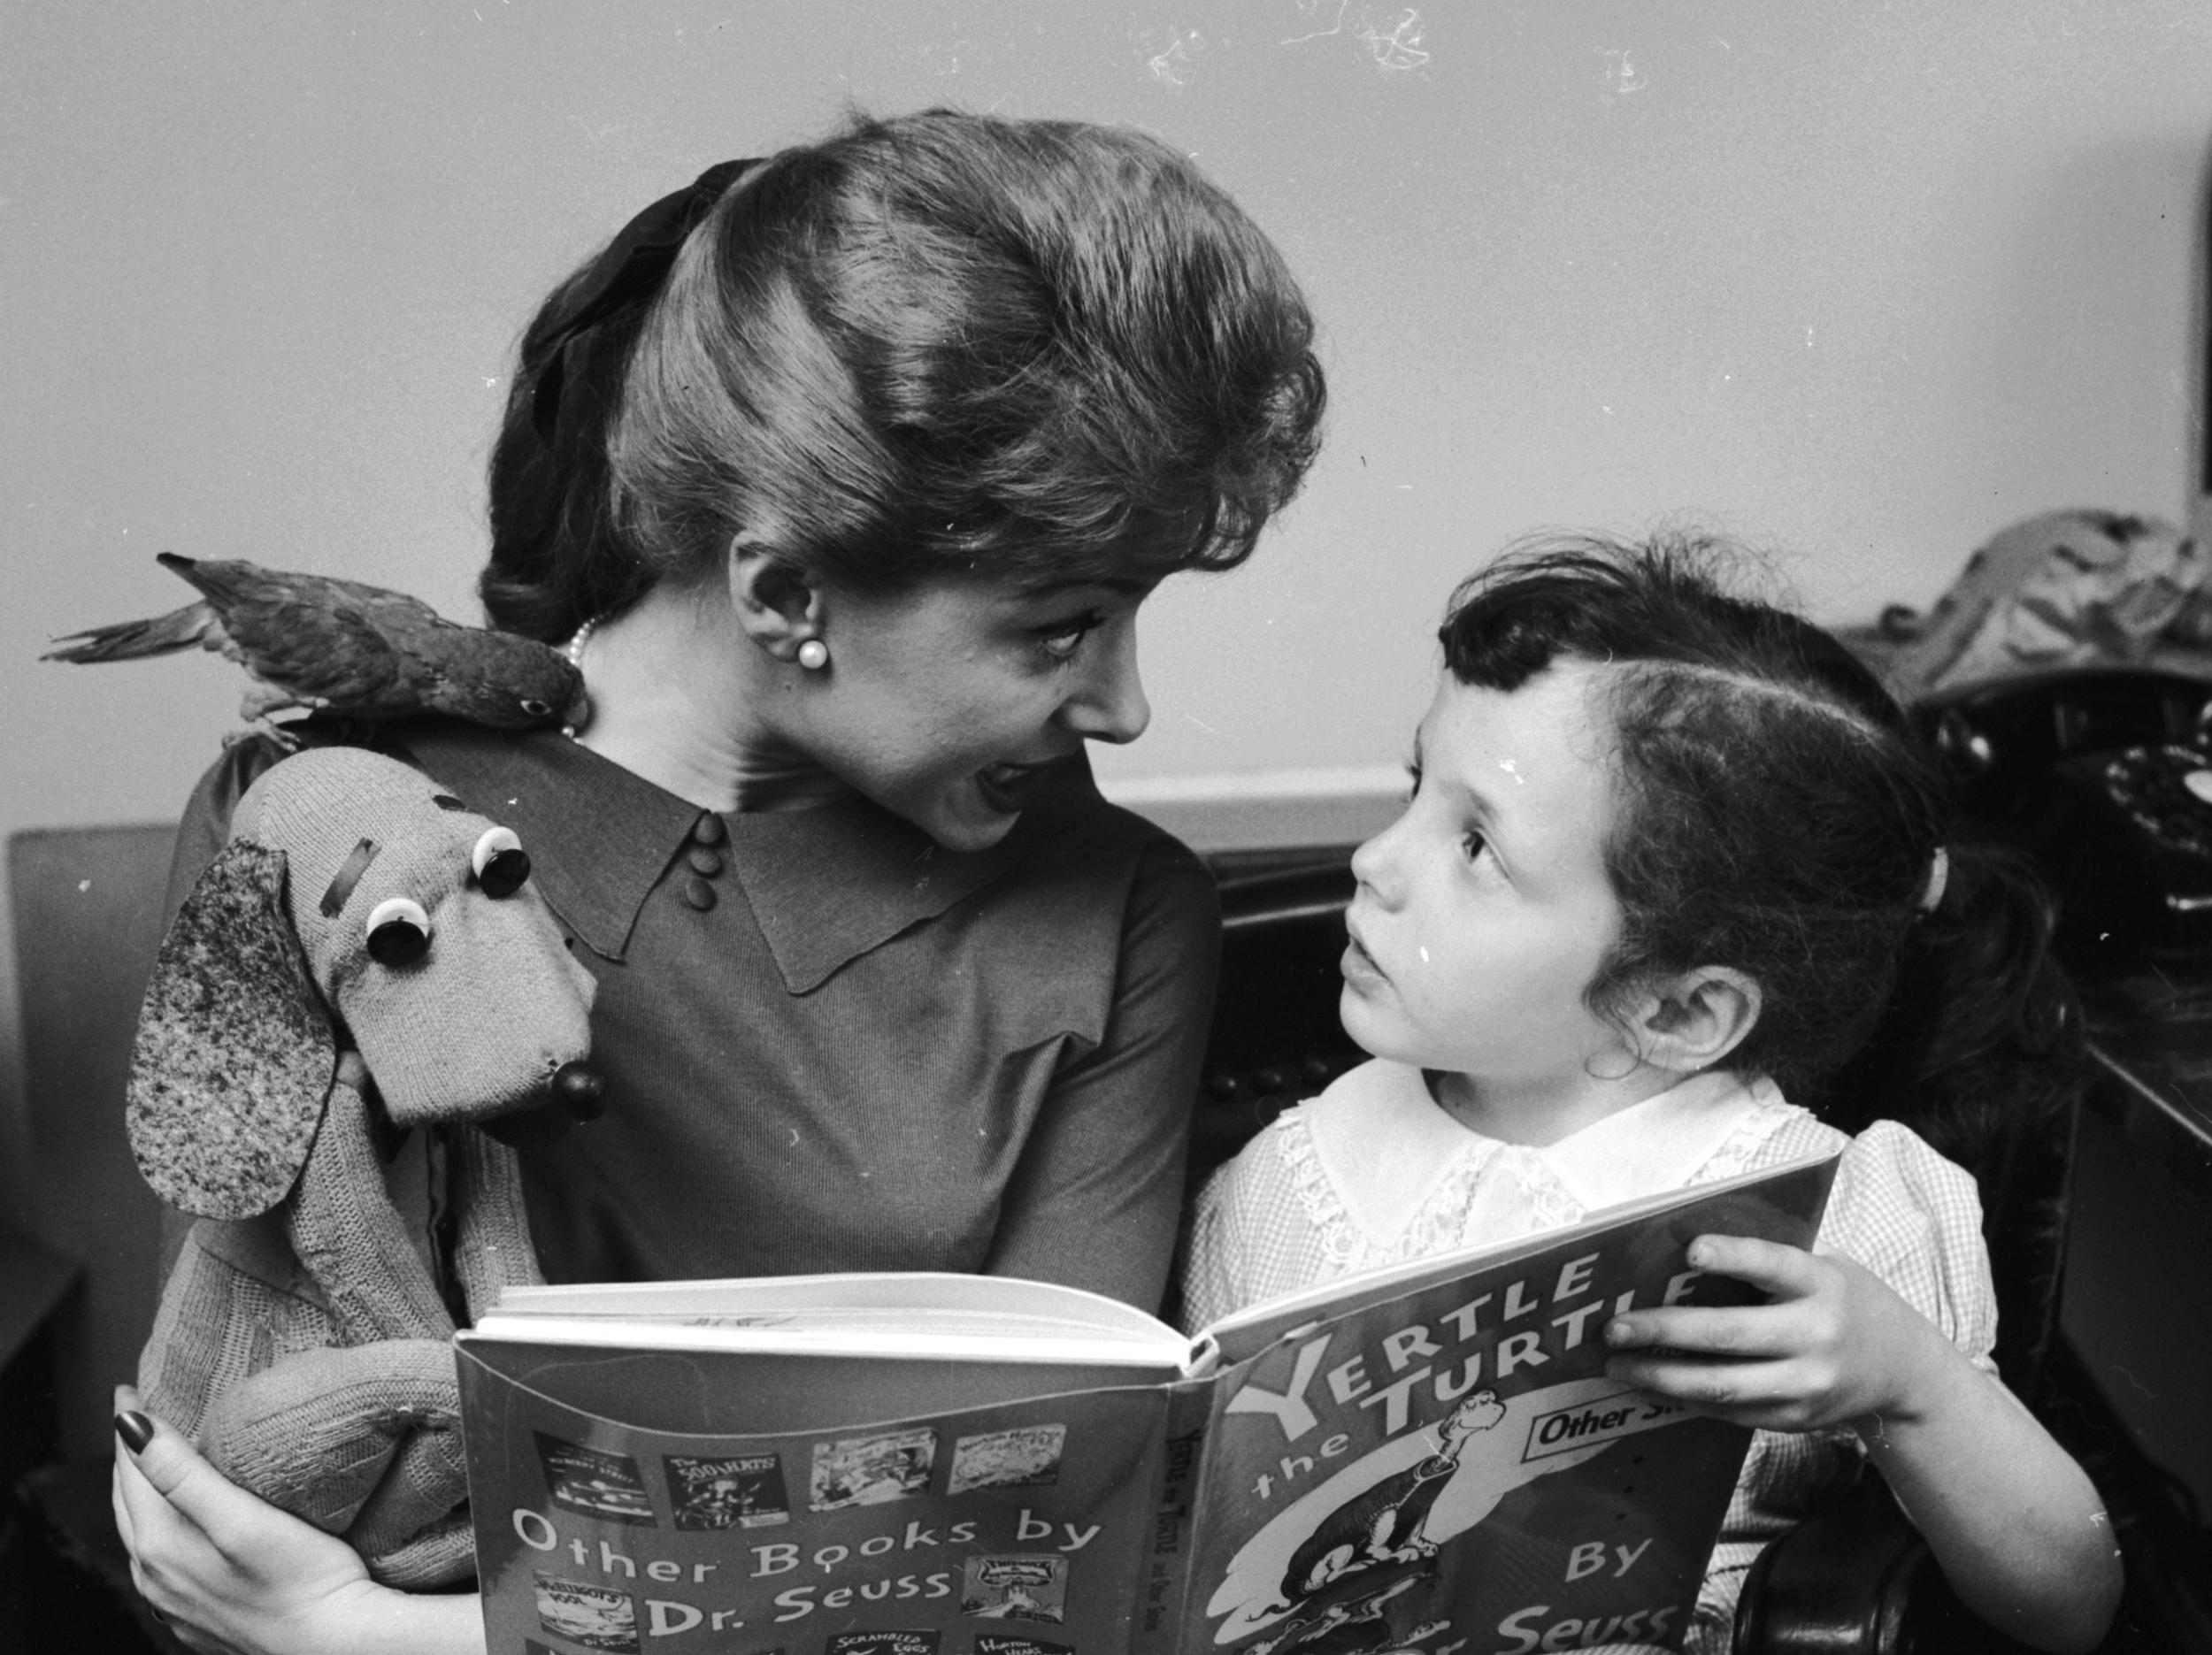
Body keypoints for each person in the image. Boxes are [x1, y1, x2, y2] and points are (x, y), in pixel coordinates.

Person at [111, 107, 1325, 1653]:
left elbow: (1034, 1555)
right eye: (1062, 625)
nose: (1124, 707)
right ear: (783, 590)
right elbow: (228, 1501)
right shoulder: (333, 820)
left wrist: (398, 1643)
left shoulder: (1124, 910)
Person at [1182, 537, 2122, 1653]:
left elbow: (2070, 1605)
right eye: (1413, 790)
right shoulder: (1285, 1187)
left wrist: (1907, 1384)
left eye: (1475, 843)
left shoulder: (1843, 1217)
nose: (1376, 861)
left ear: (1676, 1013)